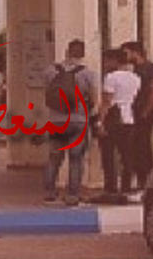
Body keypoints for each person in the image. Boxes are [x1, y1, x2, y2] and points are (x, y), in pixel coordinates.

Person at [42, 39, 99, 206]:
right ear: (82, 54)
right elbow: (93, 98)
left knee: (54, 157)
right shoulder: (87, 73)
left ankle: (50, 192)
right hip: (78, 120)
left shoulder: (50, 71)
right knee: (76, 159)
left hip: (56, 120)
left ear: (67, 51)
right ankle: (73, 195)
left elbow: (48, 91)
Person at [95, 47, 141, 202]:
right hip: (128, 117)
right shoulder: (135, 78)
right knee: (126, 154)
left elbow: (106, 102)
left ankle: (111, 187)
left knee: (108, 154)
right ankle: (126, 186)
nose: (105, 63)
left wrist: (100, 122)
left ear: (114, 61)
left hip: (113, 117)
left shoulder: (111, 77)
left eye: (107, 60)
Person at [122, 40, 153, 187]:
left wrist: (146, 111)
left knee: (142, 145)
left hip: (145, 113)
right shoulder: (134, 70)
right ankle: (143, 178)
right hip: (136, 112)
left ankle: (148, 178)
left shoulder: (151, 69)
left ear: (135, 52)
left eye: (126, 52)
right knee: (137, 146)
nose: (125, 55)